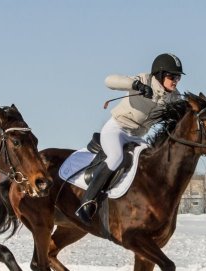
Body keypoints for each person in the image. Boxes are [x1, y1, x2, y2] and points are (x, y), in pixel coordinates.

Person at [75, 53, 184, 224]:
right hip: (117, 129)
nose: (175, 80)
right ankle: (88, 201)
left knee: (151, 161)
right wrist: (136, 85)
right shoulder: (144, 79)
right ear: (160, 74)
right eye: (172, 76)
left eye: (178, 77)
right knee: (116, 157)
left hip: (137, 137)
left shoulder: (174, 97)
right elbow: (109, 81)